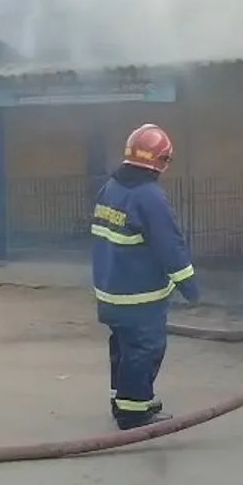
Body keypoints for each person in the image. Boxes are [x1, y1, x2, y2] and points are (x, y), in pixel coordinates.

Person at [91, 123, 200, 430]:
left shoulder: (109, 188)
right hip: (139, 297)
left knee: (123, 347)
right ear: (161, 161)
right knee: (145, 350)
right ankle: (134, 413)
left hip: (109, 292)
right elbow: (171, 247)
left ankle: (123, 399)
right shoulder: (149, 197)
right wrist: (190, 287)